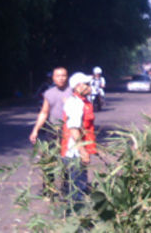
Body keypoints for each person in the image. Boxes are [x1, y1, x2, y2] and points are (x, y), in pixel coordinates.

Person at [61, 72, 98, 205]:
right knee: (77, 191)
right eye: (86, 84)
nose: (90, 87)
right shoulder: (75, 103)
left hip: (79, 152)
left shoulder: (84, 102)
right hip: (74, 154)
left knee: (80, 188)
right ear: (77, 87)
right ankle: (76, 218)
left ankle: (78, 218)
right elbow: (74, 129)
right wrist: (83, 152)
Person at [29, 67, 72, 144]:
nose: (61, 78)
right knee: (52, 153)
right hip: (53, 128)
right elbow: (44, 113)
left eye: (63, 76)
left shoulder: (73, 92)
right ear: (53, 78)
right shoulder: (48, 93)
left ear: (67, 77)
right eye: (58, 76)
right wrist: (35, 130)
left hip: (71, 129)